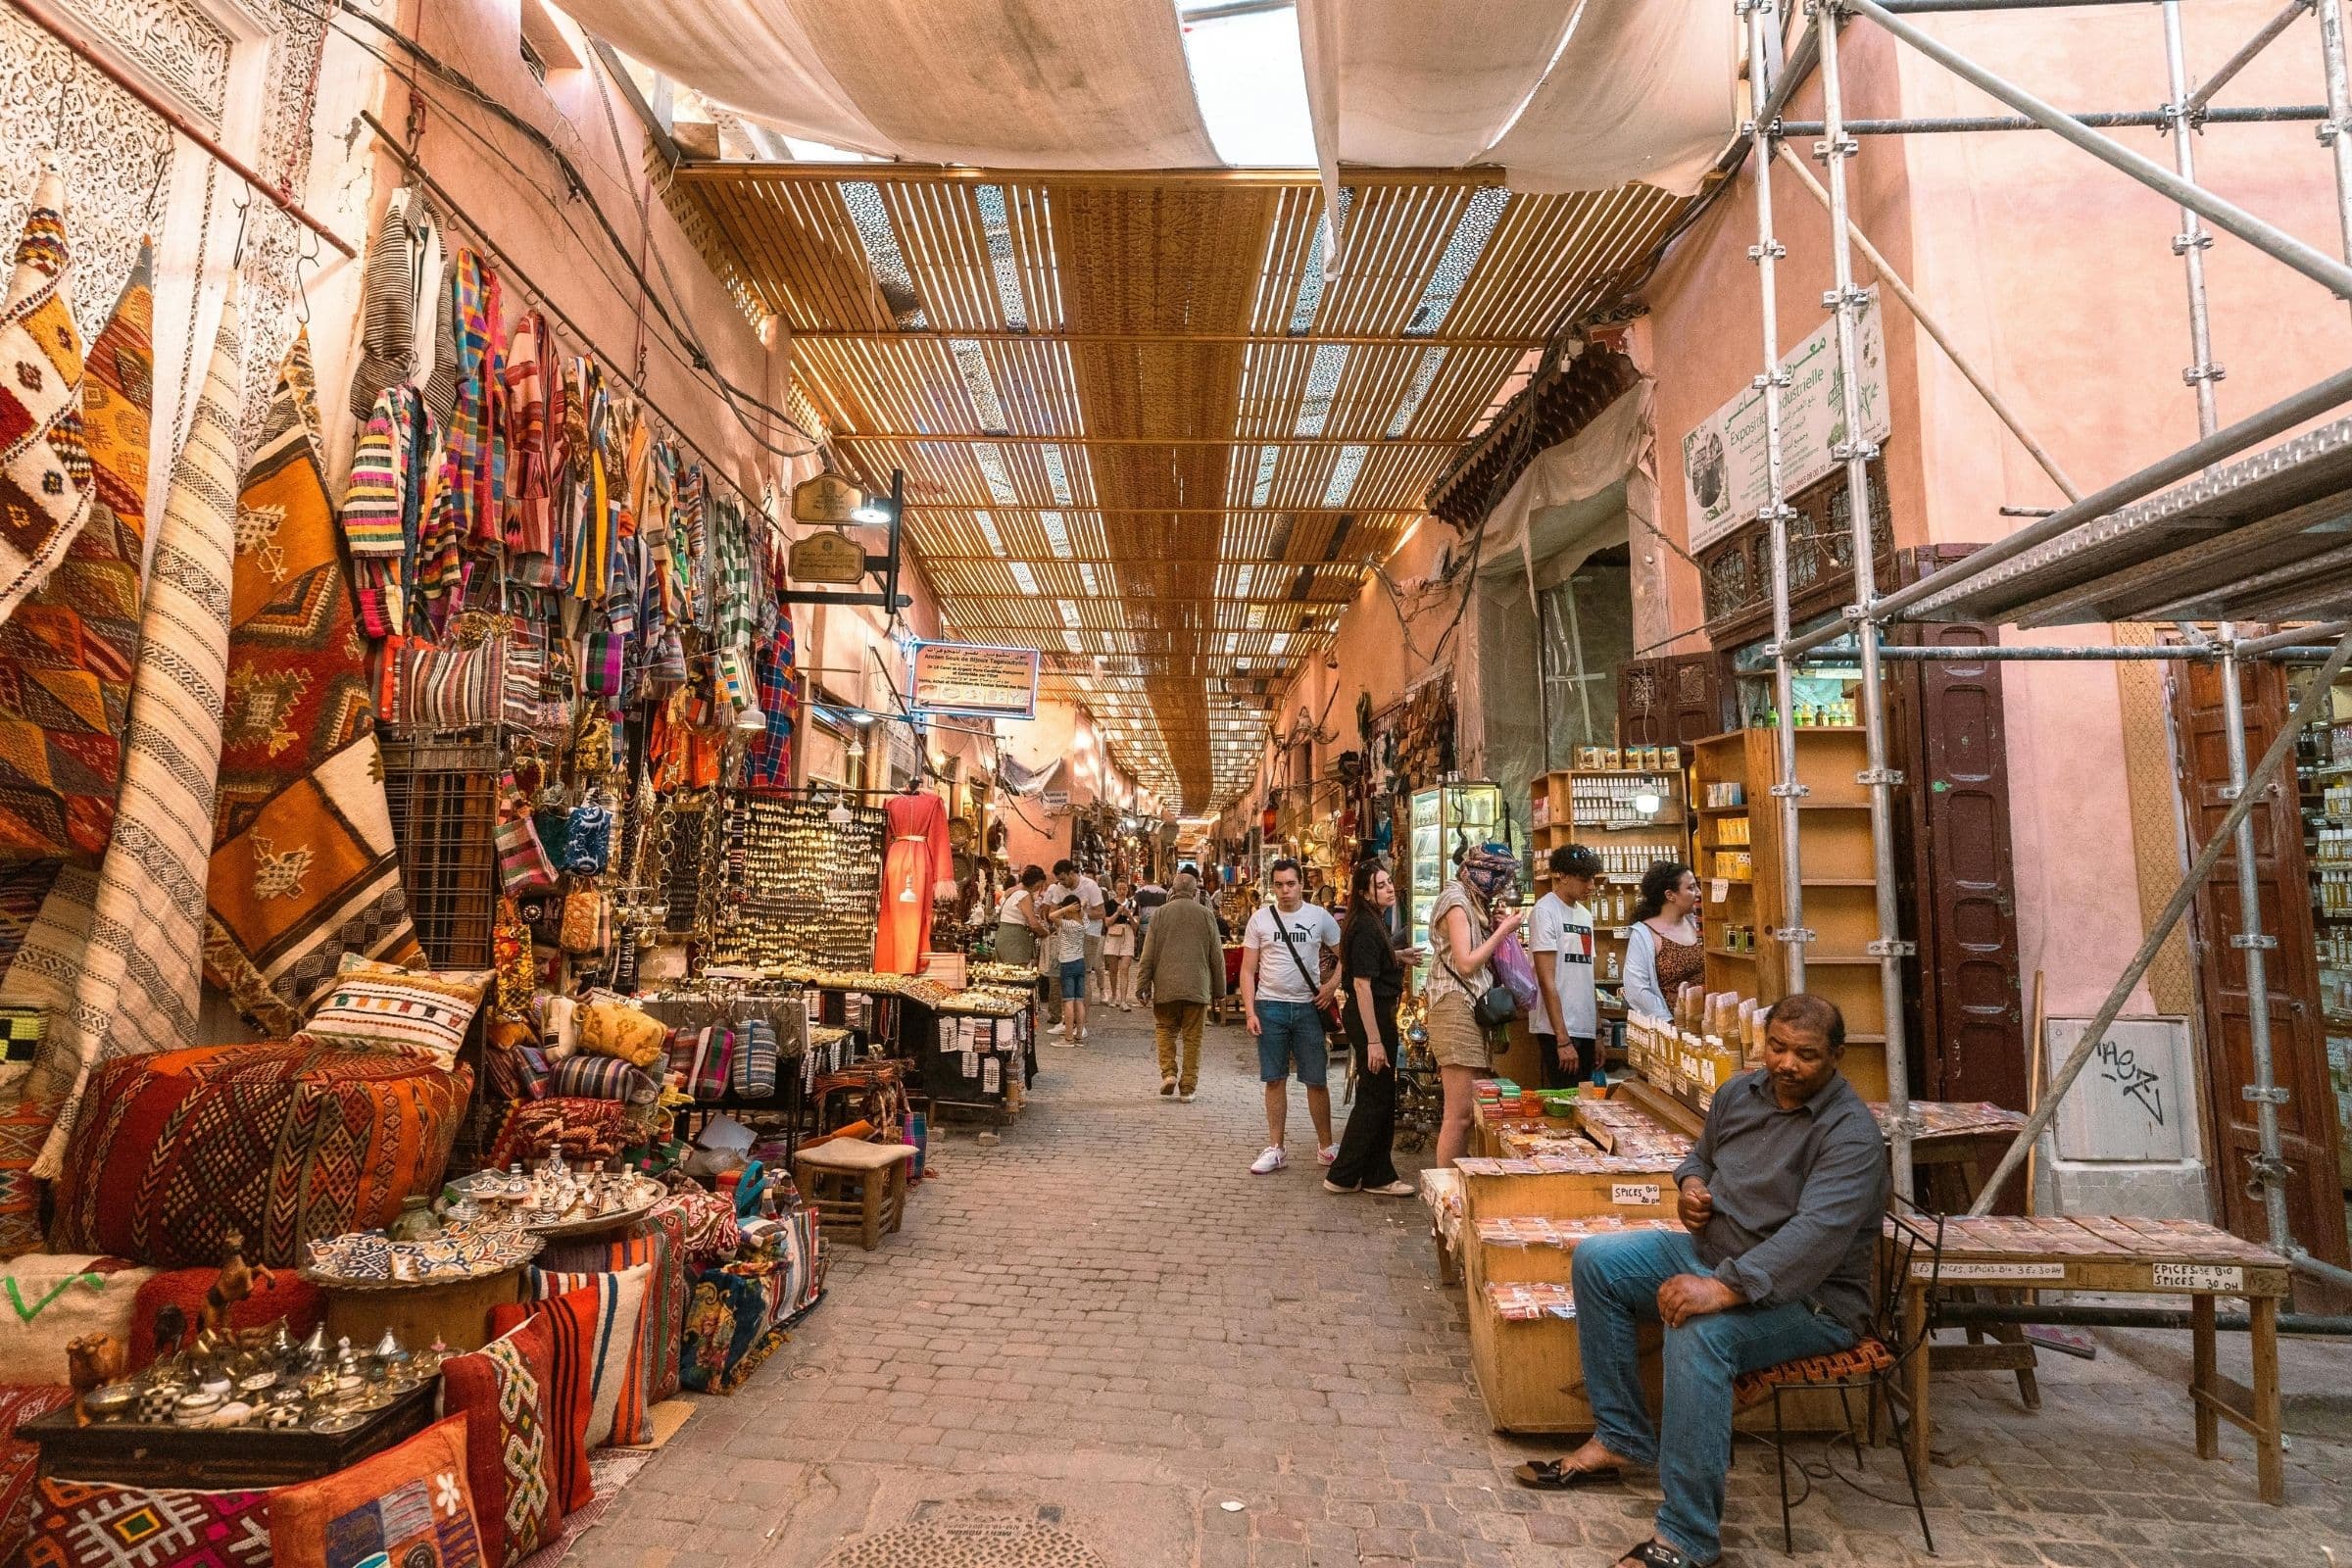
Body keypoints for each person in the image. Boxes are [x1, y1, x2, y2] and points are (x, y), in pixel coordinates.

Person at [1530, 996, 1887, 1568]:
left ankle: (1687, 1538)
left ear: (1837, 1057)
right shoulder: (1738, 1094)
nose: (1786, 1063)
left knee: (1701, 1337)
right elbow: (1699, 1157)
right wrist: (1692, 1190)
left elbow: (1817, 1237)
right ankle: (1622, 1437)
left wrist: (1723, 1290)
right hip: (1715, 1253)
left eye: (1806, 1055)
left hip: (1810, 1299)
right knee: (1597, 1261)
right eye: (1777, 1047)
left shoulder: (1851, 1135)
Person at [1240, 858, 1344, 1174]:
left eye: (1291, 884)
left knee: (1316, 1079)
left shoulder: (1320, 917)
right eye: (1279, 885)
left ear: (1301, 885)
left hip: (1308, 1008)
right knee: (1274, 1079)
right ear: (1272, 887)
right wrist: (1250, 1011)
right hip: (1270, 1006)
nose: (1285, 891)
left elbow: (1347, 955)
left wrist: (1331, 987)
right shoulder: (1259, 921)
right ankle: (1276, 1148)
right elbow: (1247, 969)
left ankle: (1326, 1147)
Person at [1425, 843, 1525, 1168]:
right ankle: (1447, 1192)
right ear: (1483, 873)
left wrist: (1492, 927)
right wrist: (1503, 932)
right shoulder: (1456, 902)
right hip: (1455, 1008)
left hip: (1466, 1008)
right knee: (1459, 1115)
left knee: (1466, 1112)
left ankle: (1456, 1183)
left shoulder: (1470, 901)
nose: (1502, 886)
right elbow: (1467, 963)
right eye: (1499, 877)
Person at [1324, 860, 1414, 1198]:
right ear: (1364, 892)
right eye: (1381, 884)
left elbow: (1372, 960)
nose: (1390, 888)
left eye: (1389, 882)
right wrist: (1374, 1040)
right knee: (1374, 1098)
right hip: (1371, 1016)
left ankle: (1376, 1174)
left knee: (1377, 1096)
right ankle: (1344, 1174)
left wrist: (1399, 955)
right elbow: (1362, 984)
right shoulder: (1364, 925)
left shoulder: (1370, 921)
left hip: (1375, 1014)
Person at [1135, 871, 1226, 1100]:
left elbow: (1148, 955)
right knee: (1193, 1038)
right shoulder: (1206, 915)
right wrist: (1220, 991)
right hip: (1197, 987)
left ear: (1172, 891)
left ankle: (1168, 1073)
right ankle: (1188, 1088)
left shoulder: (1160, 915)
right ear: (1195, 892)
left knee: (1165, 1030)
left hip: (1166, 987)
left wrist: (1142, 985)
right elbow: (1217, 956)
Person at [1528, 844, 1603, 1087]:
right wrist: (1562, 1040)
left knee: (1587, 1104)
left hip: (1585, 1027)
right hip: (1557, 1030)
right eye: (1584, 880)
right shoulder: (1544, 911)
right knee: (1563, 1103)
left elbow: (1586, 975)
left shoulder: (1584, 915)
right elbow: (1547, 980)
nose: (1591, 886)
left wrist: (1598, 1031)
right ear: (1562, 876)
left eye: (1592, 879)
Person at [1624, 860, 1704, 1024]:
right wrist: (1667, 1022)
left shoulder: (1697, 923)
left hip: (1704, 1022)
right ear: (1670, 895)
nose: (1699, 893)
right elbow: (1637, 989)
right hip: (1668, 1026)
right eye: (1691, 888)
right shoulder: (1644, 933)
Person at [1044, 862, 1091, 1045]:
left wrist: (1066, 909)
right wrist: (1079, 907)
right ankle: (1079, 1034)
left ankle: (1068, 1037)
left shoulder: (1068, 924)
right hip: (1080, 962)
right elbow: (1084, 909)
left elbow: (1051, 916)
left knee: (1068, 1002)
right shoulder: (1083, 923)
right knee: (1080, 1001)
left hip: (1068, 964)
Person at [995, 864, 1049, 969]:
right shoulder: (1024, 895)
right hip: (1014, 939)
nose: (1039, 889)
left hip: (1003, 935)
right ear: (1036, 883)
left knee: (1005, 973)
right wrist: (1045, 932)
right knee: (1016, 973)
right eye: (1040, 885)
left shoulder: (1013, 891)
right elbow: (1033, 923)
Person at [1102, 879, 1140, 1010]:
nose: (1122, 891)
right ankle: (1113, 996)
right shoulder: (1110, 904)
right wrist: (1117, 912)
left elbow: (1135, 925)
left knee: (1125, 969)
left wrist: (1128, 914)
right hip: (1113, 935)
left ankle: (1123, 1000)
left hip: (1127, 935)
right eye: (1120, 889)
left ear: (1128, 890)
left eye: (1124, 889)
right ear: (1116, 889)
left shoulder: (1134, 904)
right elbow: (1106, 923)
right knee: (1113, 969)